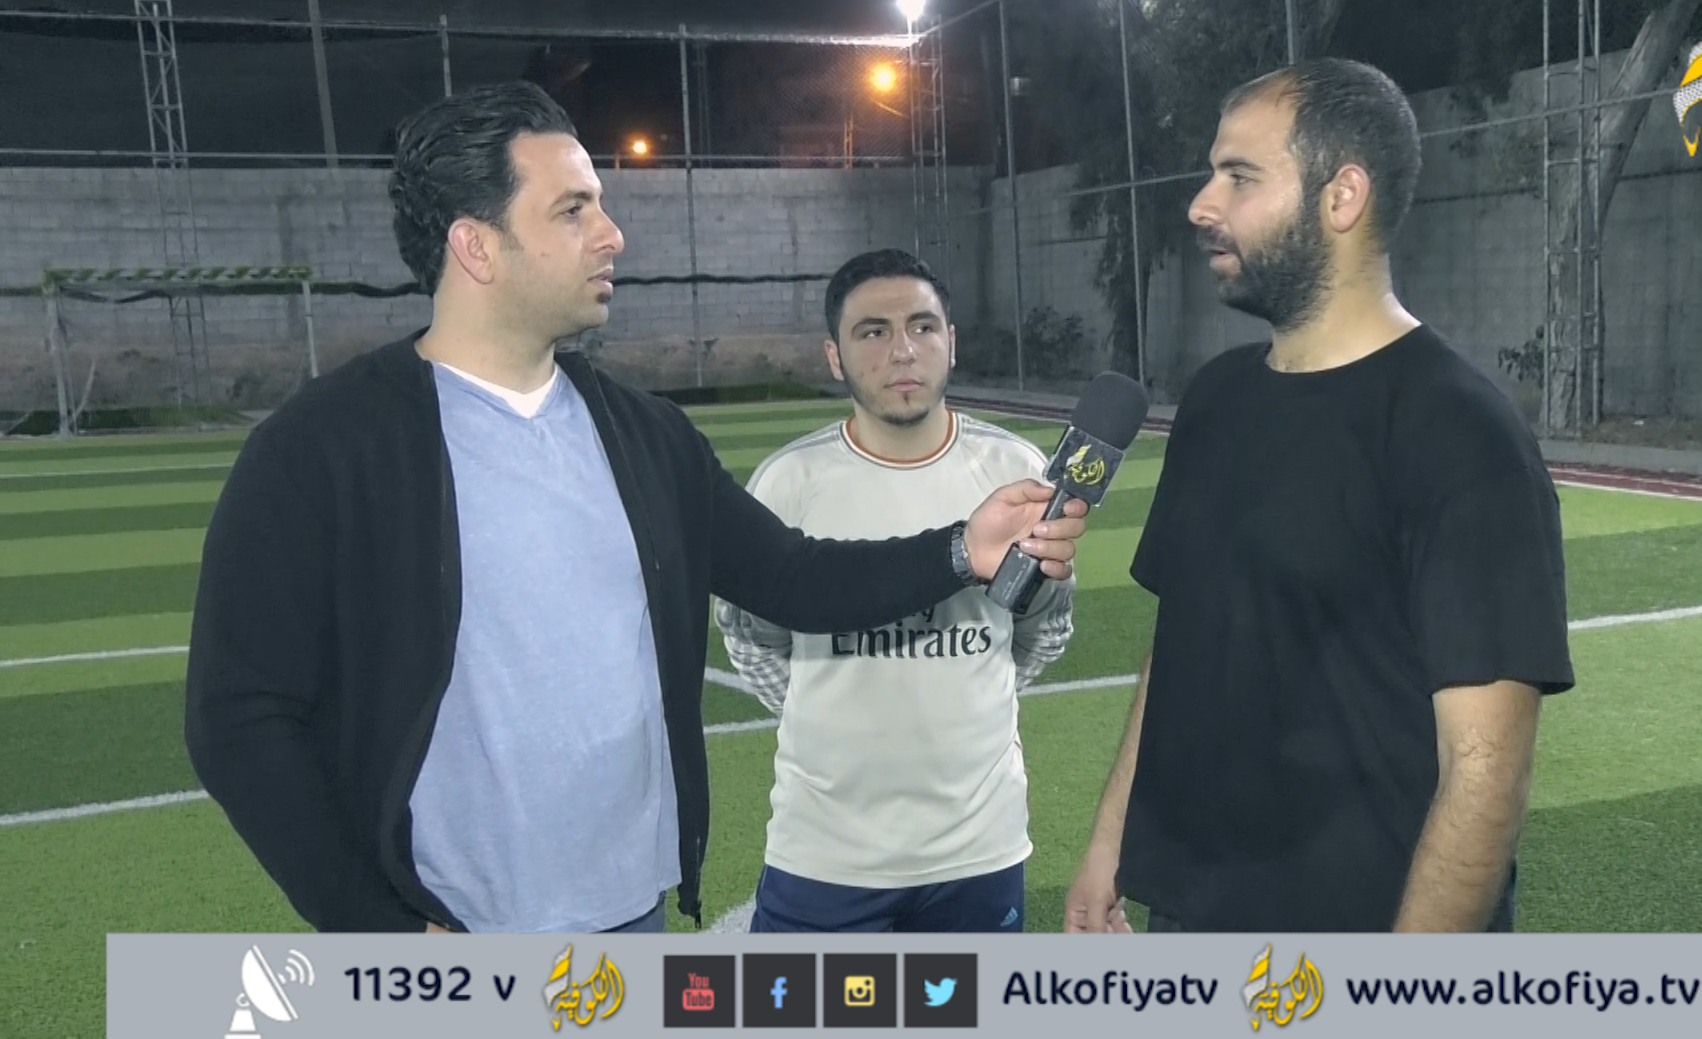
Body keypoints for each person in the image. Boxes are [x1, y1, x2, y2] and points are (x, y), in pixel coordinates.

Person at [181, 81, 1088, 936]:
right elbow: (238, 717)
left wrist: (960, 549)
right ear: (476, 246)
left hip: (631, 917)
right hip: (452, 936)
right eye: (573, 210)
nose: (612, 235)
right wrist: (373, 927)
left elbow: (795, 579)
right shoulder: (323, 450)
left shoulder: (646, 436)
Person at [1063, 59, 1574, 935]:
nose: (1202, 205)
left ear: (1342, 197)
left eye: (1239, 177)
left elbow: (1486, 771)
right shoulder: (1216, 399)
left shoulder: (1459, 433)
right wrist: (1111, 841)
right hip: (1188, 917)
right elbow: (1181, 643)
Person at [715, 249, 1074, 934]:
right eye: (873, 332)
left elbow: (1046, 627)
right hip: (825, 852)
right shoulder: (788, 483)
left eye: (922, 327)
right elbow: (748, 636)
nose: (903, 350)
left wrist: (973, 687)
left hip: (980, 848)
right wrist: (829, 706)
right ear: (834, 356)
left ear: (951, 342)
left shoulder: (1015, 471)